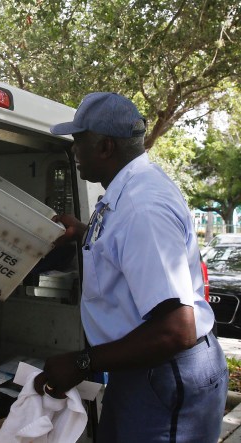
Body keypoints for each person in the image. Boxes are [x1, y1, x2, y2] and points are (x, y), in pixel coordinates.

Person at [33, 92, 228, 442]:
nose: (74, 151)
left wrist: (81, 363)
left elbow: (176, 329)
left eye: (79, 141)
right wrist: (81, 231)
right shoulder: (129, 190)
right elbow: (124, 247)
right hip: (145, 367)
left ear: (105, 147)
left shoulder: (142, 207)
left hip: (166, 371)